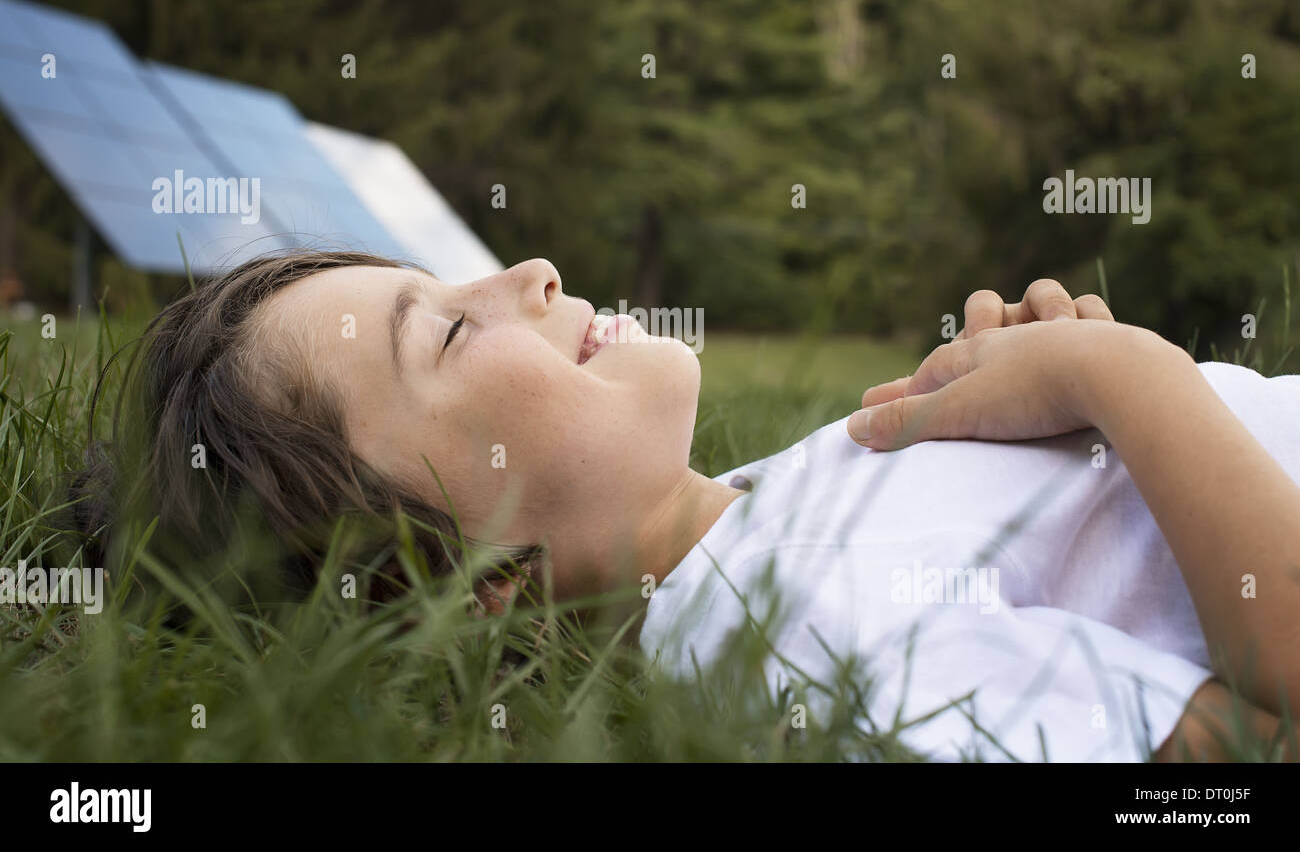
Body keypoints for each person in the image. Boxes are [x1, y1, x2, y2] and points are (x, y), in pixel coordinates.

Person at [72, 251, 1300, 762]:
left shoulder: (763, 519)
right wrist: (1130, 378)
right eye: (448, 329)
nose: (528, 275)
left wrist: (1080, 423)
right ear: (467, 581)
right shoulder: (797, 640)